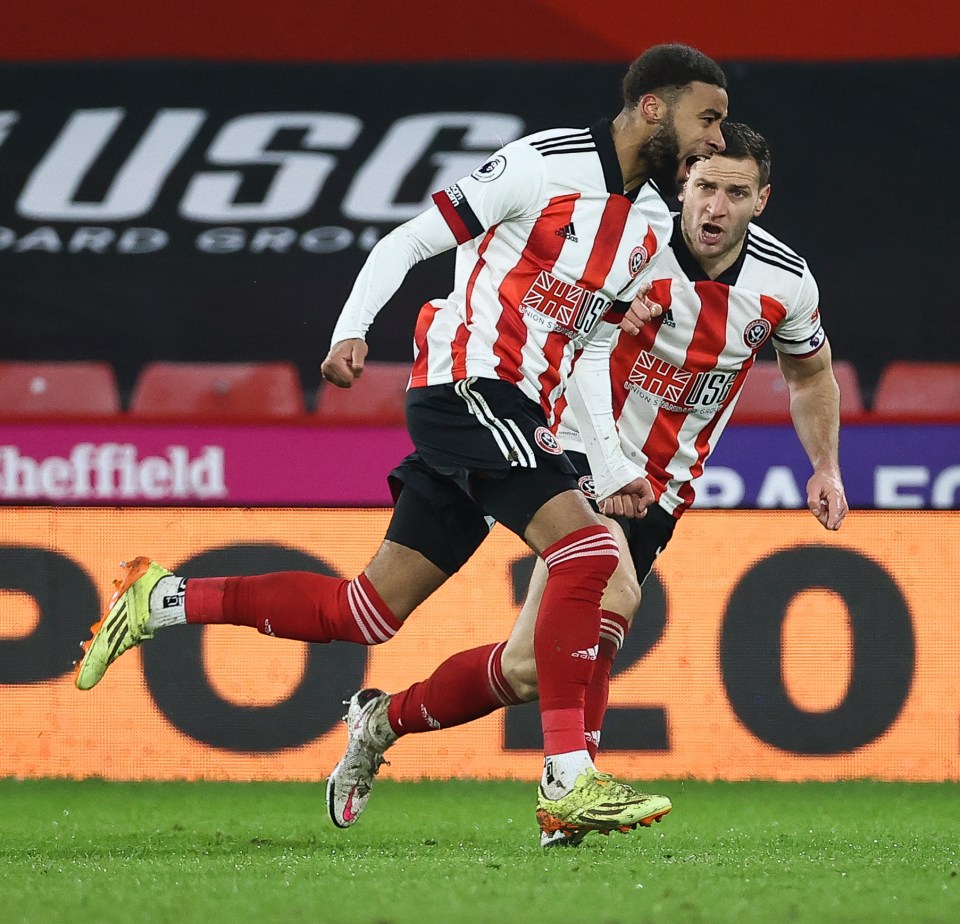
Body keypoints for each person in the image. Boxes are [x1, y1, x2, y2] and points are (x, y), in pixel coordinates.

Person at [75, 43, 729, 845]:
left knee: (365, 611)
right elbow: (407, 243)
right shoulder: (539, 164)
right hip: (468, 389)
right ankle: (568, 778)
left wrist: (615, 462)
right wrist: (352, 330)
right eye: (709, 119)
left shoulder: (652, 221)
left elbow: (590, 347)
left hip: (523, 413)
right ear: (655, 108)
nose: (716, 141)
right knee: (590, 554)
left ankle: (160, 601)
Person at [326, 122, 850, 846]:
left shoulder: (785, 283)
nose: (716, 207)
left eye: (735, 192)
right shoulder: (633, 246)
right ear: (682, 188)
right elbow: (563, 328)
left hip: (662, 489)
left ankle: (379, 722)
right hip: (576, 449)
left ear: (761, 200)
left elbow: (810, 373)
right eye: (704, 187)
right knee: (616, 589)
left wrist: (824, 466)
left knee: (524, 668)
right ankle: (567, 794)